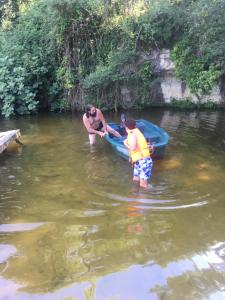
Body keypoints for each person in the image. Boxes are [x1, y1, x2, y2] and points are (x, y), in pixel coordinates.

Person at [123, 119, 153, 189]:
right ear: (135, 126)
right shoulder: (136, 132)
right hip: (139, 161)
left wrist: (125, 144)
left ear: (126, 127)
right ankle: (135, 195)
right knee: (135, 179)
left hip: (144, 161)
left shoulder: (132, 135)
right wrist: (130, 157)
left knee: (143, 185)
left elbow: (132, 147)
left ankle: (146, 196)